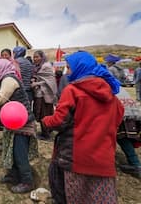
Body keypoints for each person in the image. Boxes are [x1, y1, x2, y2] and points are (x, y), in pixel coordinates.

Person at [42, 51, 124, 204]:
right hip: (103, 159)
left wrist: (46, 120)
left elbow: (59, 121)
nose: (67, 72)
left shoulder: (73, 91)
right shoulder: (111, 94)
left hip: (76, 157)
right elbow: (118, 118)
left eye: (69, 68)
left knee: (74, 196)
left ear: (80, 68)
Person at [0, 59, 36, 193]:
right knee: (11, 149)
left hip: (22, 122)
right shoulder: (5, 78)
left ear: (2, 67)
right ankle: (13, 175)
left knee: (19, 152)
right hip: (15, 121)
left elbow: (0, 100)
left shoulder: (9, 80)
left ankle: (27, 181)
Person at [31, 50, 58, 141]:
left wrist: (36, 83)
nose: (35, 59)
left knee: (44, 113)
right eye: (34, 57)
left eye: (37, 57)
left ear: (42, 57)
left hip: (45, 94)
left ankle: (46, 134)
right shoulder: (37, 67)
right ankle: (48, 130)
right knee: (43, 113)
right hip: (39, 93)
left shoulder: (46, 66)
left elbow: (49, 80)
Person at [116, 88, 141, 179]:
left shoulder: (106, 86)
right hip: (130, 114)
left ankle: (135, 165)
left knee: (123, 138)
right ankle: (135, 164)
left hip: (123, 116)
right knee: (124, 138)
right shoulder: (119, 87)